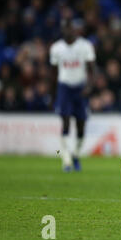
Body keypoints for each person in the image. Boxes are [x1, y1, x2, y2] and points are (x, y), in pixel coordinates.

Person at [50, 18, 96, 172]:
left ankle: (75, 154)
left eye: (70, 28)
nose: (67, 31)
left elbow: (92, 69)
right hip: (64, 87)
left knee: (81, 124)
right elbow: (53, 72)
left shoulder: (85, 46)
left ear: (74, 30)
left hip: (80, 87)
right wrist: (53, 94)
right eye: (65, 28)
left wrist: (89, 86)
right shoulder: (56, 48)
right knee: (65, 122)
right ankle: (66, 160)